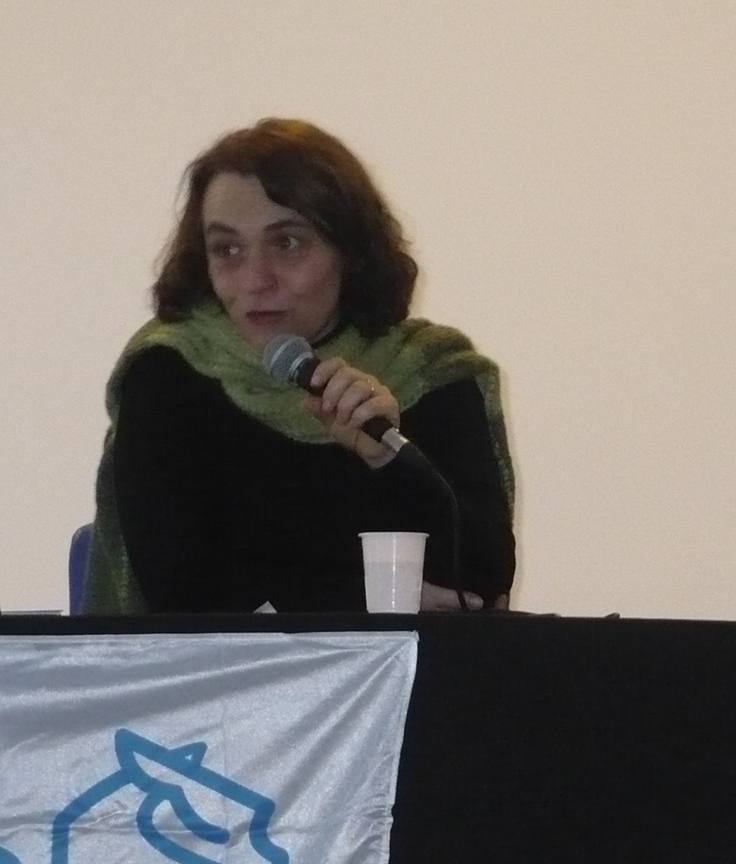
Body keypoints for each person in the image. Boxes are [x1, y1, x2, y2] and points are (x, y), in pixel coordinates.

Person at [84, 118, 516, 614]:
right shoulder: (170, 372)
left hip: (417, 664)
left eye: (287, 243)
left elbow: (481, 583)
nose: (255, 279)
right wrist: (371, 601)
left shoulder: (430, 371)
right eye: (227, 249)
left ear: (351, 251)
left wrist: (387, 461)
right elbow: (180, 591)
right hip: (224, 666)